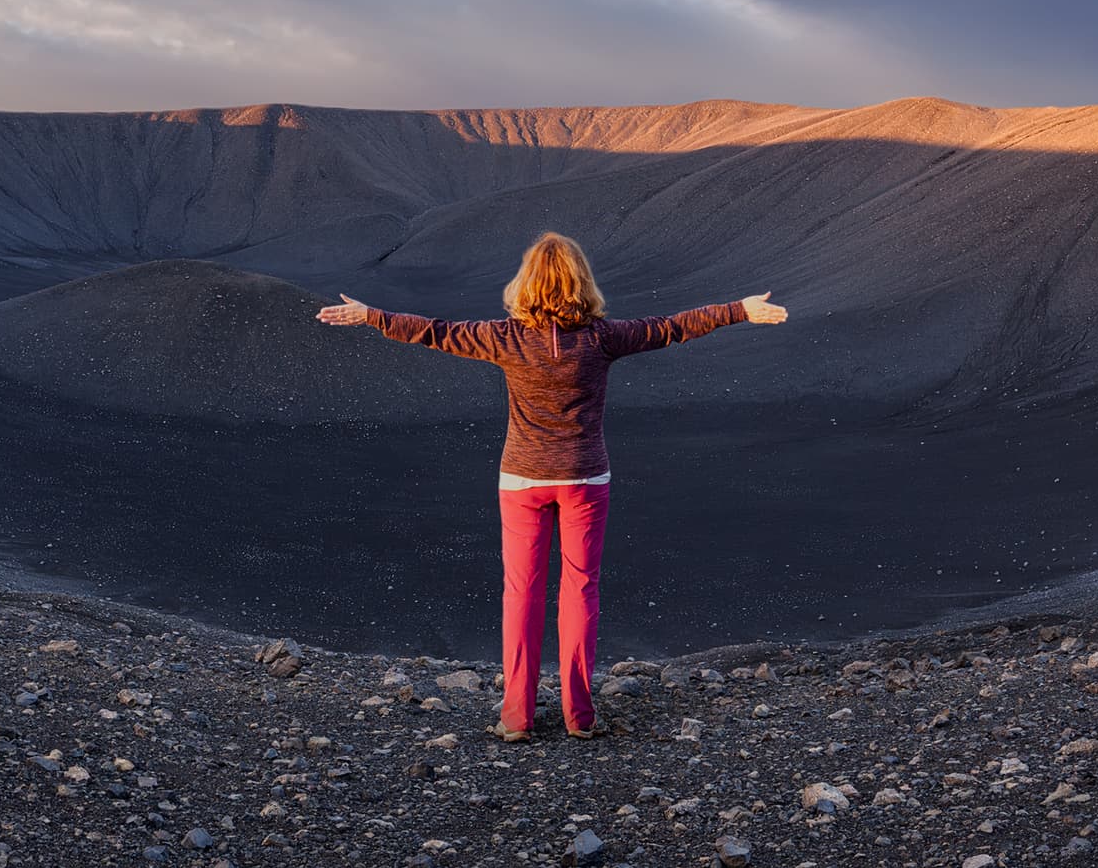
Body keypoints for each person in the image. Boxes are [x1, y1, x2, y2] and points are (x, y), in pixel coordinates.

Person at [316, 232, 788, 740]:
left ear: (525, 284)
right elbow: (671, 327)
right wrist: (739, 309)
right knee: (580, 589)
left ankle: (516, 717)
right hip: (585, 479)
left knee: (521, 593)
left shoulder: (505, 337)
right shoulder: (602, 337)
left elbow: (436, 331)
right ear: (582, 281)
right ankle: (579, 717)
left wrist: (372, 316)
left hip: (521, 480)